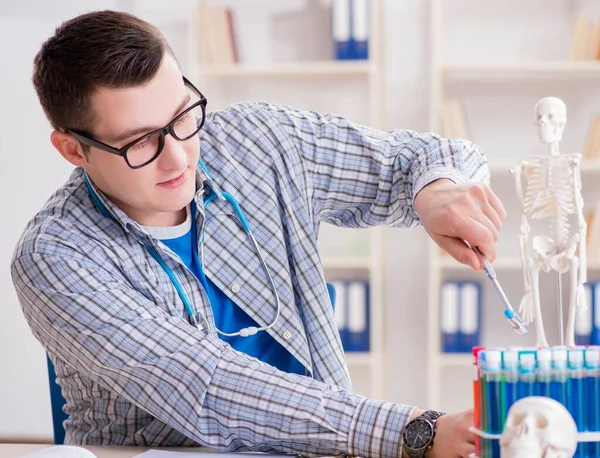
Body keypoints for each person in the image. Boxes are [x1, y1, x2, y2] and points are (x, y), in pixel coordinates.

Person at [11, 10, 506, 458]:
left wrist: (437, 190)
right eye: (140, 141)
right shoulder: (56, 256)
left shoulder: (257, 143)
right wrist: (410, 432)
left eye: (182, 116)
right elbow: (209, 390)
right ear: (73, 150)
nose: (179, 157)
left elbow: (429, 157)